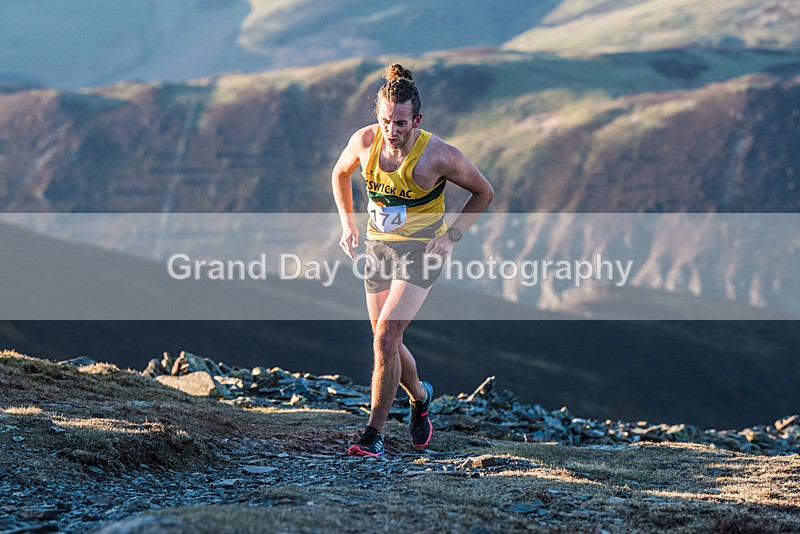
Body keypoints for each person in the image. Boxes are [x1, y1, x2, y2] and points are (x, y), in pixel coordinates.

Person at [331, 63, 493, 457]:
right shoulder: (364, 142)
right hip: (378, 248)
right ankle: (420, 397)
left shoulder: (438, 155)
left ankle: (373, 434)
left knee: (386, 335)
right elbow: (339, 174)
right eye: (387, 120)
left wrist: (451, 236)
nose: (392, 130)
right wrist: (348, 225)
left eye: (401, 123)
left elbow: (483, 191)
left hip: (422, 252)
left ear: (416, 120)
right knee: (384, 341)